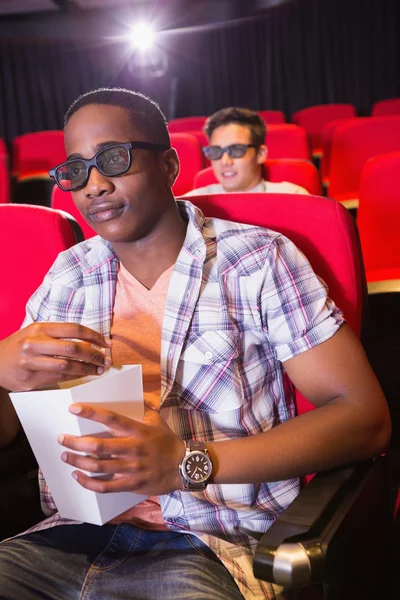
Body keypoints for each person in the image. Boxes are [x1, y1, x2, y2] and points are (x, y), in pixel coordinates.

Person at [0, 88, 390, 600]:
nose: (93, 184)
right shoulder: (68, 275)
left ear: (168, 164)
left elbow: (365, 419)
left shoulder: (257, 261)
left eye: (112, 159)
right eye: (75, 170)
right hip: (66, 540)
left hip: (208, 545)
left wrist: (185, 462)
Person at [185, 106, 309, 196]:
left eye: (236, 150)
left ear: (261, 154)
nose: (225, 161)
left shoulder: (291, 196)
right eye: (216, 151)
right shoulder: (194, 203)